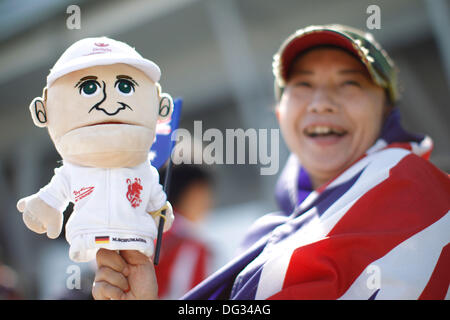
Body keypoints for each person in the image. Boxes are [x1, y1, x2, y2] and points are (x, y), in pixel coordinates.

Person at [91, 24, 450, 300]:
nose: (321, 102)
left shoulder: (415, 189)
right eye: (302, 85)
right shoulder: (266, 234)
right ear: (280, 113)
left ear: (387, 110)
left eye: (350, 84)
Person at [154, 164, 214, 299]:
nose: (210, 203)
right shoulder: (191, 245)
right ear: (194, 193)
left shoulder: (145, 234)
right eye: (205, 194)